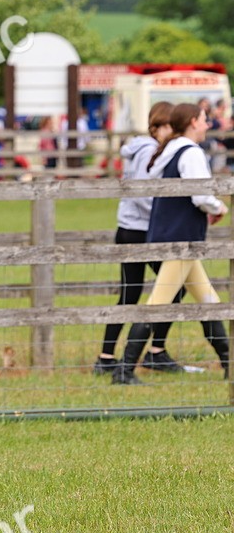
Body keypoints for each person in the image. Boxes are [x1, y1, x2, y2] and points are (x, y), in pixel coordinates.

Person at [113, 103, 229, 384]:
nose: (207, 125)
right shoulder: (190, 153)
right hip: (182, 238)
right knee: (158, 303)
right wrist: (219, 207)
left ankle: (229, 361)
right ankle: (124, 370)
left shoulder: (171, 149)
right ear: (192, 122)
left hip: (172, 234)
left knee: (208, 301)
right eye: (204, 120)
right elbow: (200, 196)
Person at [93, 102, 182, 375]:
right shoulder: (147, 152)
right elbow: (144, 195)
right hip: (142, 230)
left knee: (131, 295)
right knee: (172, 287)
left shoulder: (138, 149)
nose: (174, 134)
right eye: (172, 127)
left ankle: (108, 356)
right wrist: (169, 212)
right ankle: (154, 351)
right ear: (161, 126)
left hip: (130, 228)